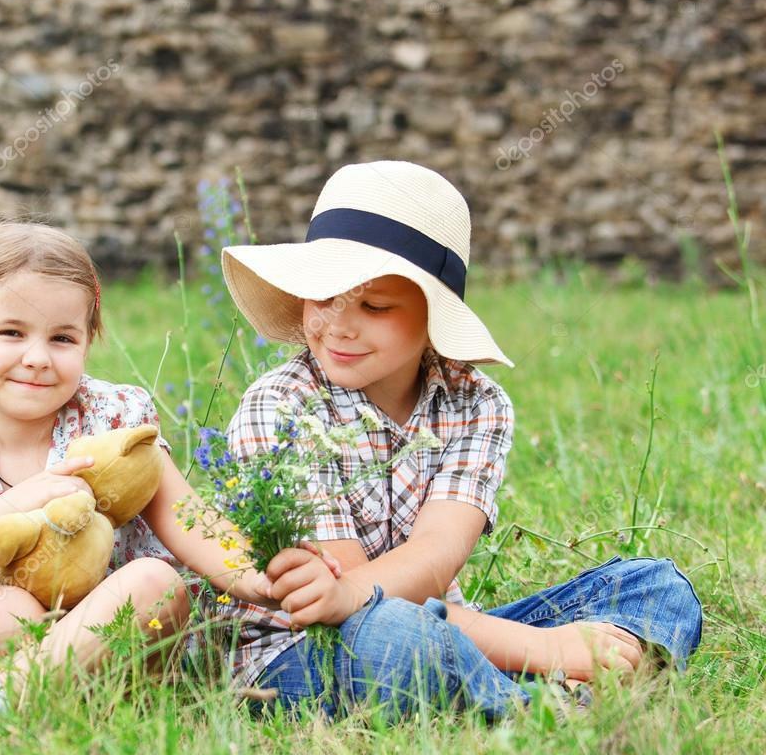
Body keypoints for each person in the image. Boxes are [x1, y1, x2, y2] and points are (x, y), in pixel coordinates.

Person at [217, 160, 703, 720]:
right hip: (308, 652)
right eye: (322, 297)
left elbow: (436, 556)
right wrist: (543, 646)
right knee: (394, 639)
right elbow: (344, 598)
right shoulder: (280, 404)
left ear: (433, 314)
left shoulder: (475, 404)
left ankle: (533, 675)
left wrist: (511, 636)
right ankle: (549, 706)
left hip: (448, 627)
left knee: (655, 584)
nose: (339, 325)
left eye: (374, 306)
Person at [0, 220, 277, 718]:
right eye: (11, 333)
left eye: (62, 338)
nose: (37, 358)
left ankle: (1, 699)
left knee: (152, 581)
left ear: (87, 342)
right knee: (6, 609)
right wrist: (3, 515)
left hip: (132, 644)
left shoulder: (113, 418)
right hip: (15, 638)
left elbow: (183, 513)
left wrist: (253, 576)